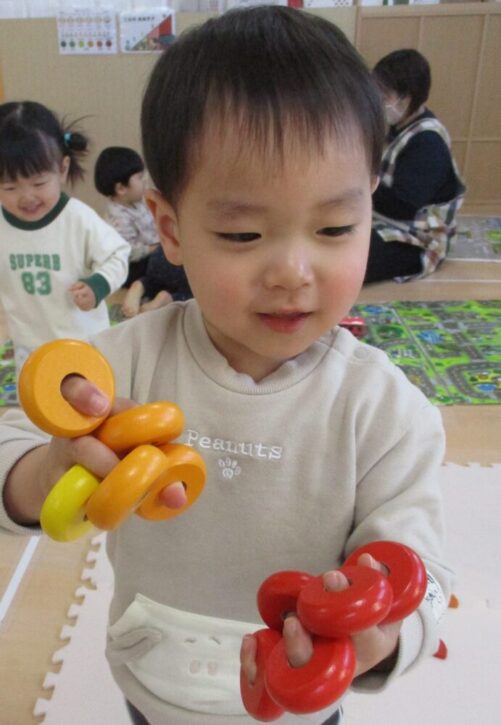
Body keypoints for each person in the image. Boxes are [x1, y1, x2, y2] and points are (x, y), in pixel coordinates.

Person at [0, 8, 452, 725]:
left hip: (301, 697)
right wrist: (53, 468)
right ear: (171, 228)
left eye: (335, 227)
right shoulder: (121, 365)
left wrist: (382, 635)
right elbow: (12, 449)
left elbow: (423, 572)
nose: (292, 271)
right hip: (153, 677)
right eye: (243, 233)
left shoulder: (386, 412)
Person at [0, 102, 130, 378]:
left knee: (92, 397)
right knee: (36, 401)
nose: (27, 197)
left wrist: (98, 284)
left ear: (62, 169)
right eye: (10, 188)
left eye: (38, 183)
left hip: (83, 341)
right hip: (29, 347)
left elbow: (117, 253)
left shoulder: (78, 219)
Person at [365, 48, 466, 283]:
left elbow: (403, 206)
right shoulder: (399, 128)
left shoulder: (427, 141)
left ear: (406, 98)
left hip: (419, 239)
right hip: (387, 222)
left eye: (384, 95)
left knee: (350, 259)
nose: (378, 100)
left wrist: (360, 184)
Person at [94, 146, 192, 317]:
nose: (145, 181)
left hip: (153, 259)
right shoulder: (117, 217)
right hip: (134, 266)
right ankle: (167, 297)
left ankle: (142, 286)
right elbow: (127, 252)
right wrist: (156, 248)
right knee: (189, 277)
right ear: (121, 188)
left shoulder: (137, 201)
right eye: (139, 178)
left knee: (168, 268)